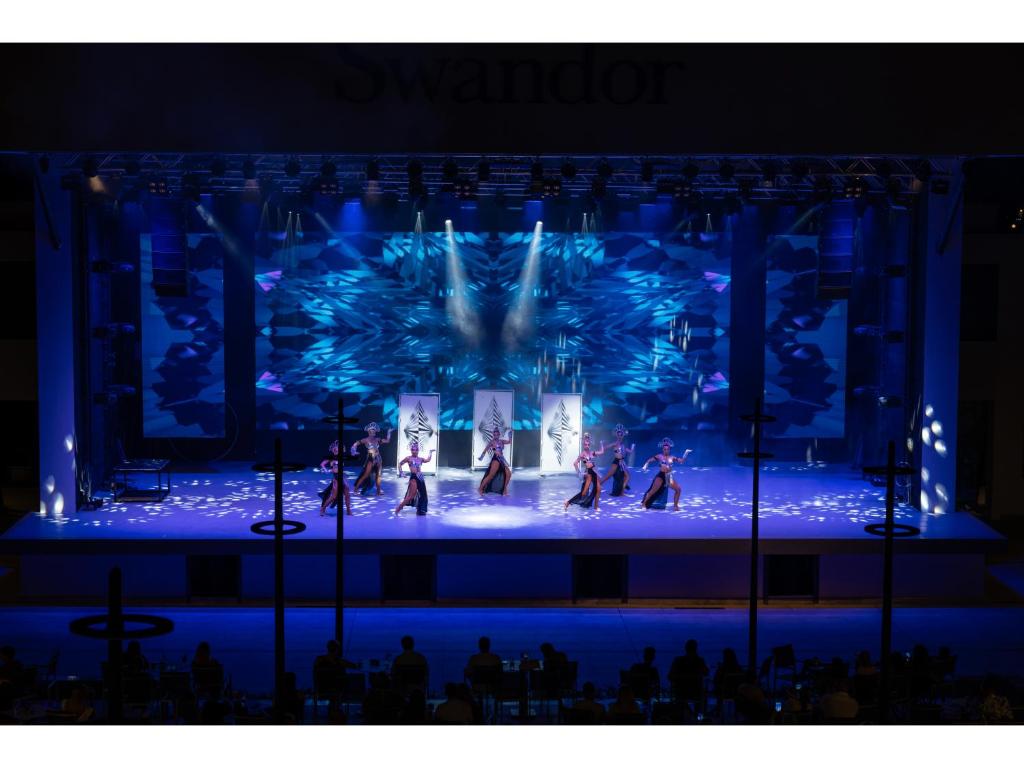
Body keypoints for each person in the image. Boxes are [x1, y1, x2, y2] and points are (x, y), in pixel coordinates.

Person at [640, 439, 693, 510]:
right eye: (664, 449)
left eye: (667, 449)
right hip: (661, 476)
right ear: (662, 449)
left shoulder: (672, 457)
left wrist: (686, 453)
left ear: (669, 450)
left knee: (678, 489)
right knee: (652, 491)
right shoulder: (659, 456)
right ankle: (643, 504)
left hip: (668, 477)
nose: (666, 450)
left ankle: (675, 506)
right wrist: (645, 465)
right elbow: (649, 460)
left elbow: (681, 461)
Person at [351, 422, 392, 496]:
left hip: (378, 458)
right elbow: (356, 444)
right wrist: (353, 450)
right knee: (366, 474)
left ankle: (378, 491)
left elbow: (387, 441)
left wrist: (389, 432)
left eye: (374, 431)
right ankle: (356, 489)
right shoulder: (365, 440)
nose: (373, 432)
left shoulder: (377, 439)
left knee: (378, 475)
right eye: (372, 431)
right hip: (371, 458)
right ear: (369, 432)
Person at [565, 433, 604, 511]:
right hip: (589, 473)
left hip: (594, 472)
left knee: (598, 489)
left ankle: (596, 507)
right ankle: (568, 502)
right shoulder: (582, 454)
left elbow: (601, 452)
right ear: (583, 445)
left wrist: (601, 443)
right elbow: (575, 463)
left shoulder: (592, 453)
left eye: (588, 444)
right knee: (583, 493)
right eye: (585, 444)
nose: (587, 446)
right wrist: (579, 474)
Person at [395, 441, 435, 515]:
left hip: (421, 478)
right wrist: (401, 472)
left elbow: (428, 460)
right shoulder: (408, 458)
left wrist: (430, 452)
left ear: (418, 450)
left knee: (423, 494)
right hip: (414, 477)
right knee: (411, 495)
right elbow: (400, 464)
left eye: (416, 450)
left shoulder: (420, 459)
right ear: (411, 450)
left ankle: (420, 510)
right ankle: (398, 508)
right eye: (413, 449)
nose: (414, 451)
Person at [668, 639, 709, 706]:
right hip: (696, 691)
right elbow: (706, 673)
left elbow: (670, 676)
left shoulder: (678, 660)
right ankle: (697, 711)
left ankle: (681, 710)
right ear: (696, 649)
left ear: (686, 649)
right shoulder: (699, 661)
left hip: (680, 691)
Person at [319, 439, 352, 517]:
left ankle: (348, 509)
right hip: (336, 478)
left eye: (338, 449)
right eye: (335, 449)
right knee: (333, 496)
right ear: (333, 450)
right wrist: (326, 470)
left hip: (343, 477)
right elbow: (322, 464)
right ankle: (323, 509)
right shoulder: (331, 458)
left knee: (347, 494)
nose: (336, 450)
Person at [599, 424, 635, 496]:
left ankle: (622, 492)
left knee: (627, 476)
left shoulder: (623, 445)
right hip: (616, 462)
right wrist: (601, 444)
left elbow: (630, 451)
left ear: (623, 435)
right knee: (608, 476)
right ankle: (597, 486)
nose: (620, 436)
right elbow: (605, 448)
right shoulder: (615, 443)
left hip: (621, 462)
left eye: (621, 434)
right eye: (619, 434)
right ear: (616, 435)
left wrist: (633, 447)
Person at [478, 427, 513, 495]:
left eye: (497, 434)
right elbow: (486, 450)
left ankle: (504, 489)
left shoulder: (502, 441)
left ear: (499, 434)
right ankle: (481, 488)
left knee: (508, 473)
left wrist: (510, 433)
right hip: (496, 459)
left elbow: (509, 442)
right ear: (493, 435)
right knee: (491, 475)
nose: (496, 435)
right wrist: (481, 457)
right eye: (494, 434)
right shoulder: (491, 442)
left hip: (502, 459)